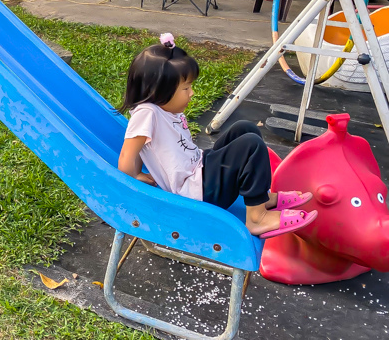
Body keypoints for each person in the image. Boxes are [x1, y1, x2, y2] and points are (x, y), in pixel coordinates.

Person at [117, 33, 317, 239]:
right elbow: (129, 152)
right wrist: (133, 176)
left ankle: (261, 199)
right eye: (185, 88)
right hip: (194, 193)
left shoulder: (163, 110)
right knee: (250, 145)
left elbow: (144, 146)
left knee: (244, 128)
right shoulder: (147, 113)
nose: (192, 93)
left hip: (200, 172)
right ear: (157, 91)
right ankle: (257, 218)